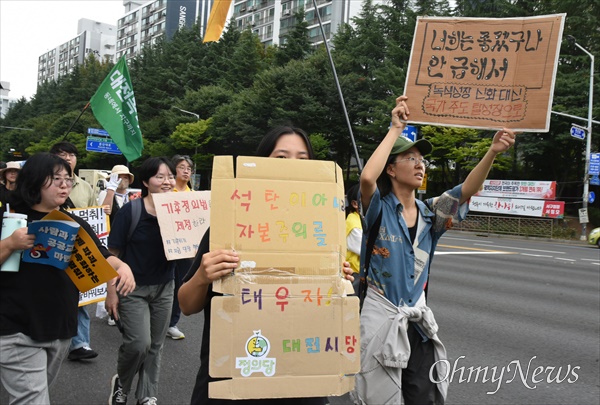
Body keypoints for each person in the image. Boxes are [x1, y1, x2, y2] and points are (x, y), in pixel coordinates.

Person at [353, 96, 515, 405]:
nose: (419, 164)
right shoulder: (379, 210)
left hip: (418, 324)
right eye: (410, 158)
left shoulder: (433, 214)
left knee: (423, 397)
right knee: (378, 398)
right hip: (380, 319)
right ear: (391, 169)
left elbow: (466, 190)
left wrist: (493, 151)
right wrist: (395, 128)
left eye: (422, 160)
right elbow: (366, 178)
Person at [178, 126, 356, 405]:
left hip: (301, 385)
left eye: (303, 159)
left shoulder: (326, 235)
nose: (293, 167)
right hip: (234, 381)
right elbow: (187, 306)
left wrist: (339, 283)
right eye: (281, 158)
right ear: (261, 165)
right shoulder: (228, 227)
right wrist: (202, 275)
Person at [0, 153, 135, 405]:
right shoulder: (10, 220)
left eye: (67, 179)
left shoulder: (73, 222)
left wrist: (122, 267)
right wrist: (9, 243)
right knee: (32, 399)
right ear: (34, 181)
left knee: (33, 395)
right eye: (55, 179)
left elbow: (103, 257)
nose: (64, 185)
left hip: (59, 329)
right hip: (15, 329)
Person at [106, 157, 177, 405]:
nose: (167, 181)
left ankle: (146, 393)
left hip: (165, 286)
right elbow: (112, 255)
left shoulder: (181, 211)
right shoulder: (131, 211)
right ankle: (122, 384)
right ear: (146, 182)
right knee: (139, 344)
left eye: (170, 176)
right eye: (160, 176)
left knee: (155, 346)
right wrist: (111, 292)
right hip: (132, 288)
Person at [49, 141, 99, 361]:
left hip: (77, 246)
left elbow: (93, 217)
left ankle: (80, 343)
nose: (68, 158)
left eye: (71, 155)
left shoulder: (85, 186)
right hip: (50, 244)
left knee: (79, 294)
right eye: (62, 154)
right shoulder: (43, 181)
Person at [165, 154, 195, 340]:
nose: (186, 171)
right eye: (182, 167)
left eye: (189, 168)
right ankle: (156, 319)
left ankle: (172, 323)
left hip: (187, 248)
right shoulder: (166, 192)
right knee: (162, 282)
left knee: (180, 284)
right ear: (174, 170)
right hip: (167, 244)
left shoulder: (194, 195)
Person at [345, 183, 362, 293]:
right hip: (352, 274)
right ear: (355, 204)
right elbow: (364, 249)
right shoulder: (353, 222)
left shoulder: (359, 220)